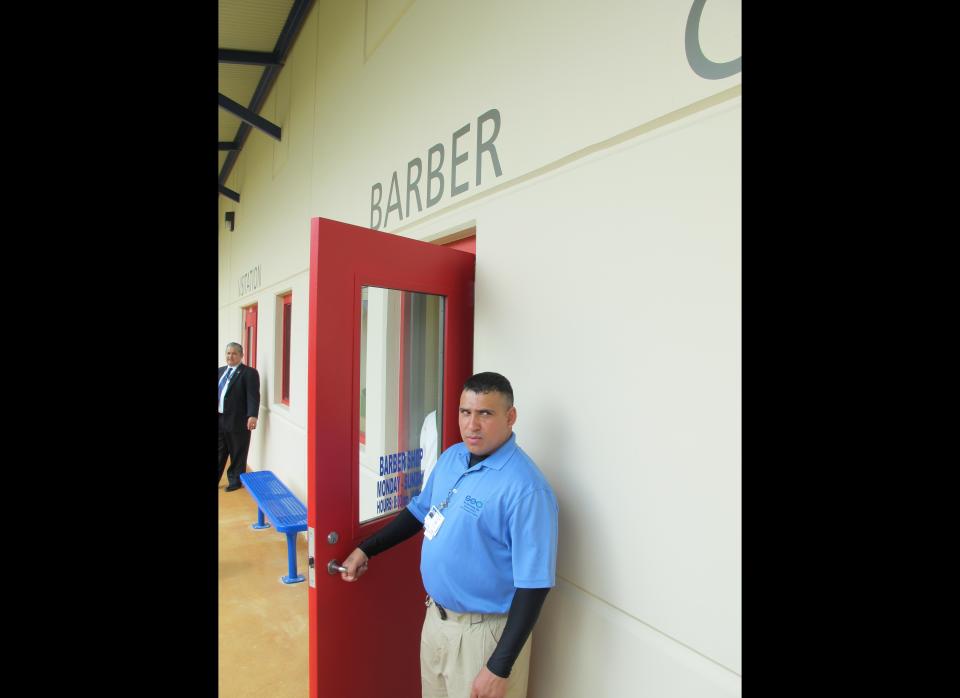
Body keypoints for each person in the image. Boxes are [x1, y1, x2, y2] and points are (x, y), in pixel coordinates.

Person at [341, 372, 558, 698]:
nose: (472, 425)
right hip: (436, 621)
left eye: (486, 413)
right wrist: (366, 549)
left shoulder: (526, 489)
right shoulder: (452, 457)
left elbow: (534, 585)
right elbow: (419, 512)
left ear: (510, 417)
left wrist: (500, 666)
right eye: (465, 412)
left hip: (483, 636)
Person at [218, 342, 260, 491]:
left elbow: (253, 396)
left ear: (241, 355)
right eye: (228, 353)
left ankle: (235, 482)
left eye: (234, 353)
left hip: (238, 420)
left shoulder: (249, 373)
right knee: (219, 451)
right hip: (220, 418)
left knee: (237, 452)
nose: (230, 356)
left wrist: (252, 415)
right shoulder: (220, 371)